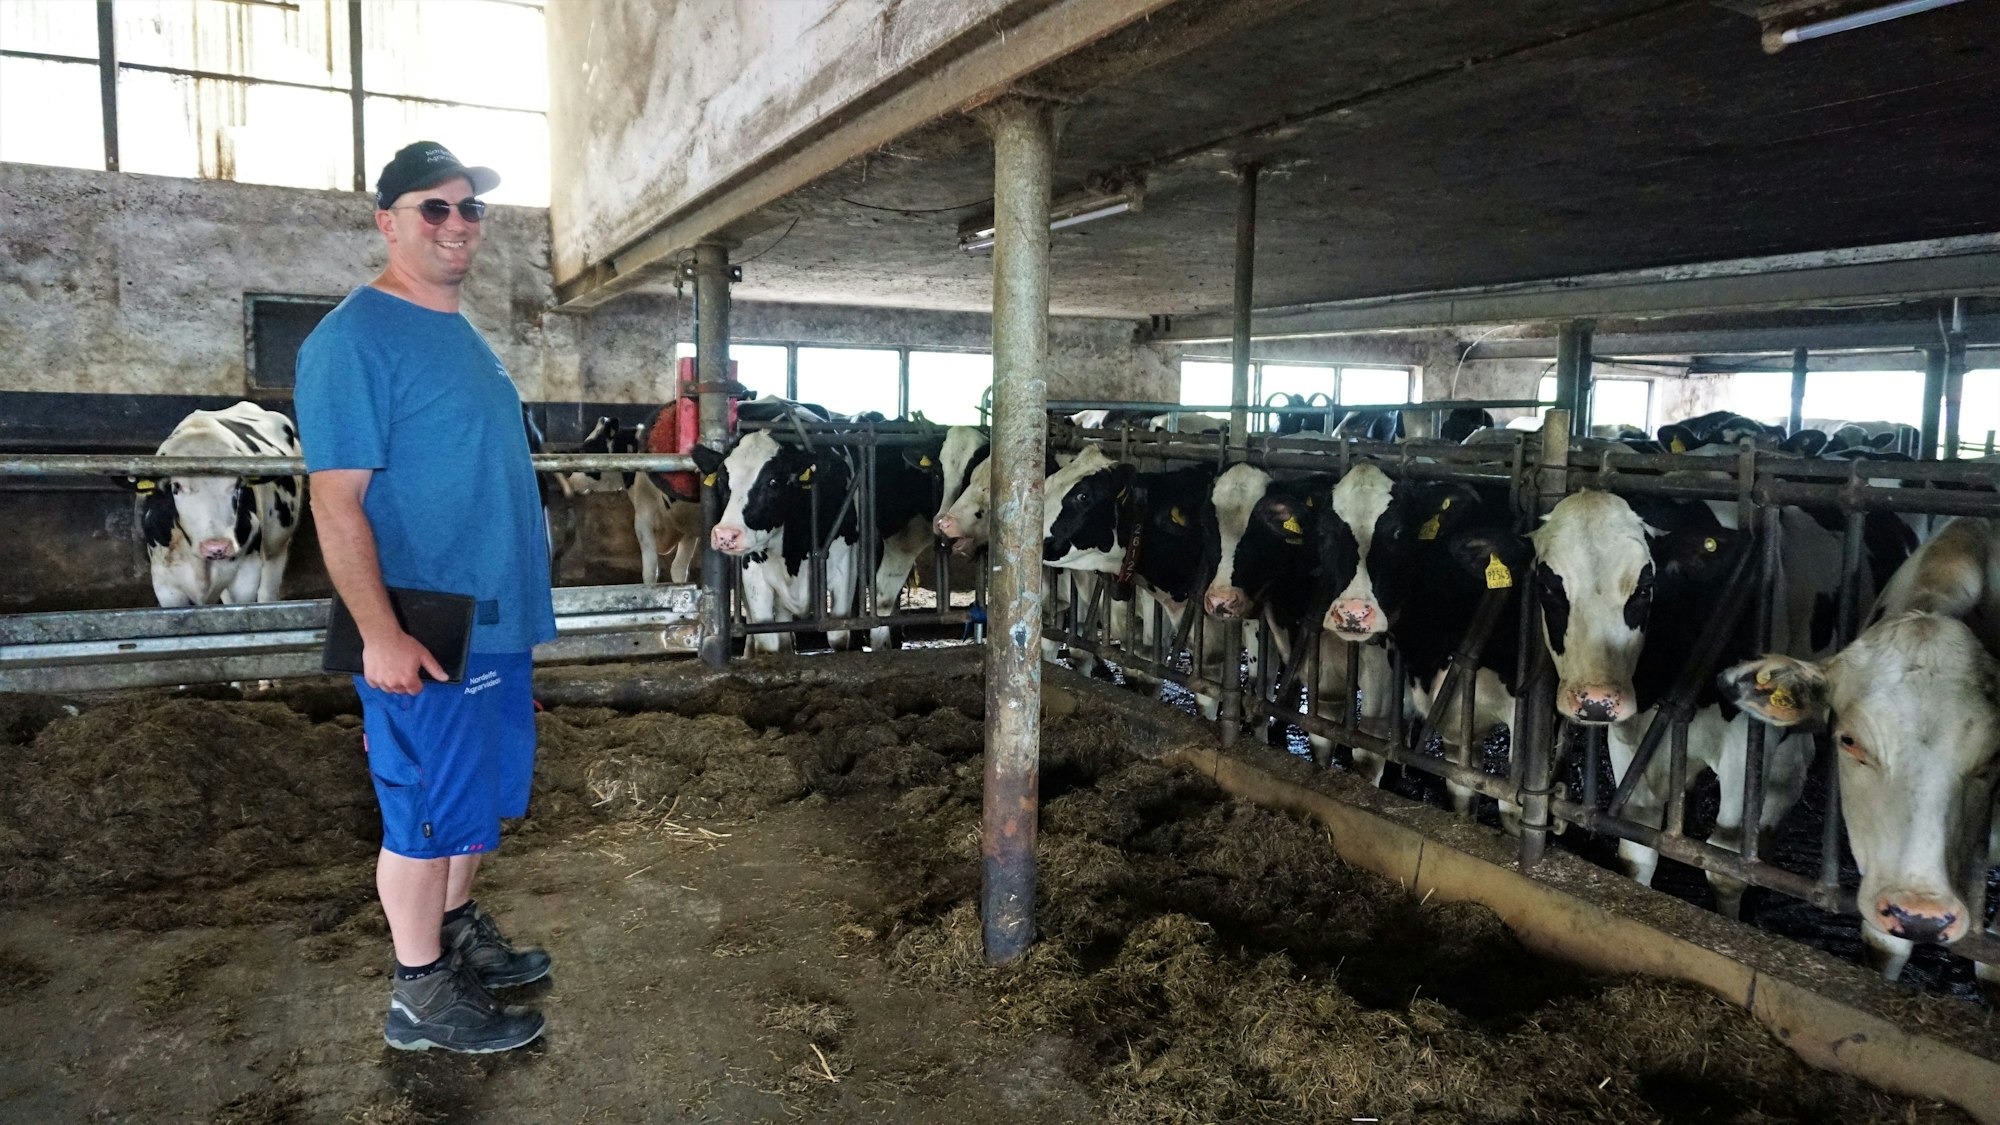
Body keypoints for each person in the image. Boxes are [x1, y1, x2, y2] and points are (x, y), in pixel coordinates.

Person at [296, 141, 559, 1053]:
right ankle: (418, 993)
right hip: (427, 624)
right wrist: (379, 632)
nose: (456, 225)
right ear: (388, 221)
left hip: (492, 618)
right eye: (433, 208)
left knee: (468, 801)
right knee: (420, 811)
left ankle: (450, 936)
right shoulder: (353, 338)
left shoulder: (457, 328)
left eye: (470, 208)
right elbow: (335, 500)